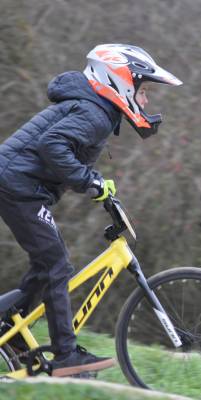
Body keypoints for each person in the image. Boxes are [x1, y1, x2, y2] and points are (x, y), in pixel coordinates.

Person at [0, 44, 182, 376]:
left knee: (47, 266)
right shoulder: (95, 113)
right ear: (121, 83)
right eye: (143, 92)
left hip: (18, 185)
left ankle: (10, 332)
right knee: (57, 265)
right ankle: (65, 355)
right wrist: (89, 182)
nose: (145, 101)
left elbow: (63, 153)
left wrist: (98, 185)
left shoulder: (95, 110)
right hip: (18, 187)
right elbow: (52, 146)